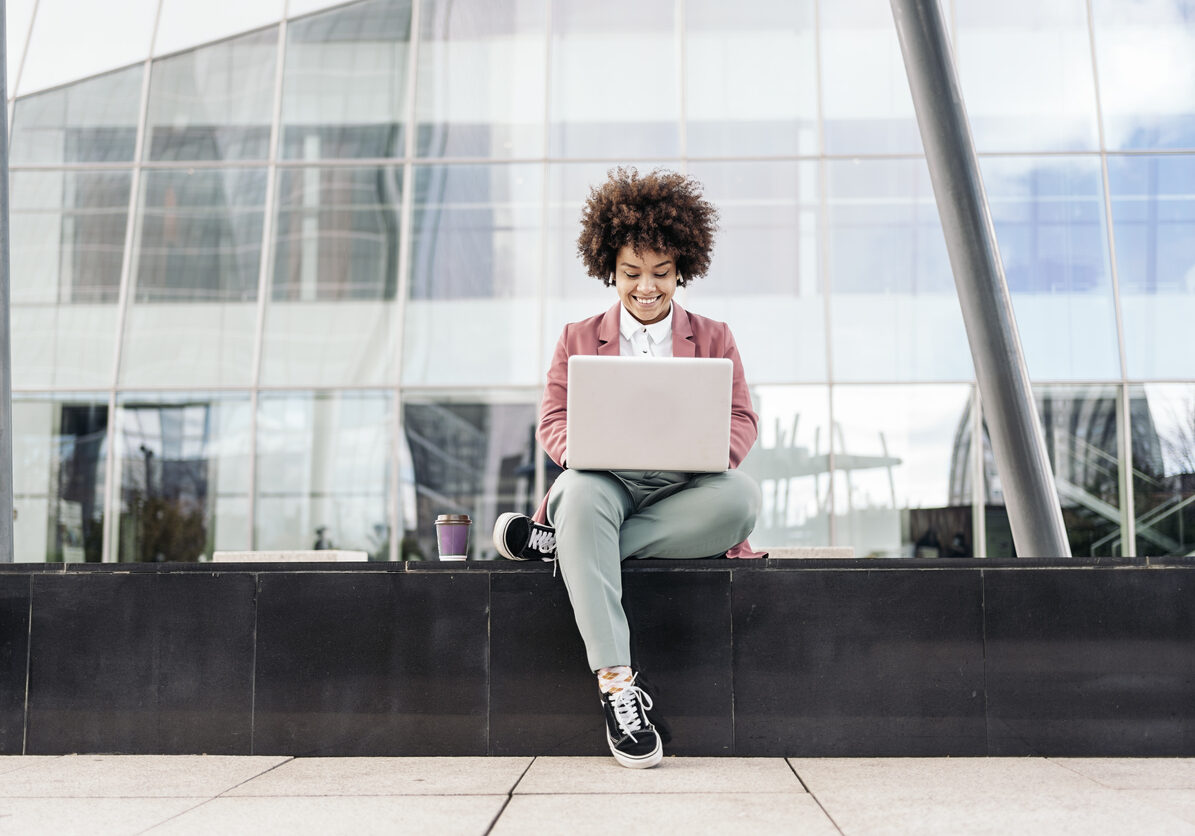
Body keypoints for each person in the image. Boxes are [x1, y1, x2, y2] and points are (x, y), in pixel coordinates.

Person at [492, 167, 763, 769]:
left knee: (741, 498)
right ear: (609, 270)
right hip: (603, 482)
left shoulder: (715, 336)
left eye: (661, 274)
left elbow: (741, 417)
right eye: (632, 274)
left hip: (685, 489)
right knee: (579, 494)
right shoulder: (578, 336)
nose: (646, 288)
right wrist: (580, 449)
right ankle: (618, 688)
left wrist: (711, 453)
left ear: (681, 270)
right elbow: (553, 419)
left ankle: (563, 547)